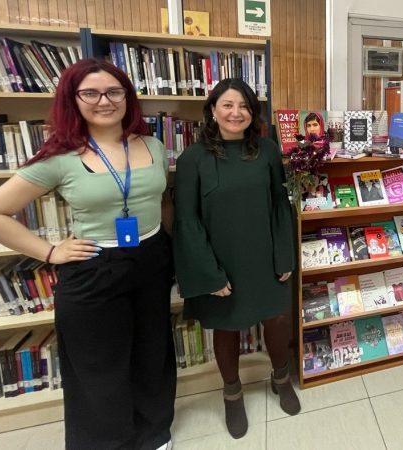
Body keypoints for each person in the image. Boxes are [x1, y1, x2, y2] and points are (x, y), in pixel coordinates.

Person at [0, 59, 176, 450]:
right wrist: (49, 251)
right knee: (99, 366)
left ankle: (153, 434)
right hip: (95, 267)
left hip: (151, 259)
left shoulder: (151, 144)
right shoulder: (60, 157)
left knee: (152, 352)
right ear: (74, 99)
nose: (104, 101)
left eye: (114, 91)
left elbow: (162, 200)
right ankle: (110, 443)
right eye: (91, 93)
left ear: (127, 97)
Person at [173, 78, 300, 440]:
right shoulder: (192, 160)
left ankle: (280, 377)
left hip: (265, 255)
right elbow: (186, 220)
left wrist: (284, 254)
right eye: (227, 105)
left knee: (276, 319)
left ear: (252, 112)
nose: (236, 112)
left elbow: (280, 205)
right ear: (212, 110)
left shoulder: (268, 151)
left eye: (243, 106)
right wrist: (208, 274)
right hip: (219, 261)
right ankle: (232, 392)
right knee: (227, 325)